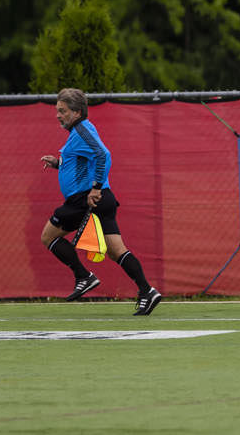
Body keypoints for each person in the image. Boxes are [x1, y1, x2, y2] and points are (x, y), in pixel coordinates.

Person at [38, 87, 162, 315]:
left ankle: (83, 276)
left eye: (62, 111)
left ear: (76, 112)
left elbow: (104, 155)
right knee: (116, 251)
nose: (58, 115)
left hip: (86, 200)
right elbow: (84, 162)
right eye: (57, 110)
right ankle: (147, 291)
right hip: (100, 199)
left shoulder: (82, 129)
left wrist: (95, 188)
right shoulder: (80, 130)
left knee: (48, 236)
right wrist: (58, 163)